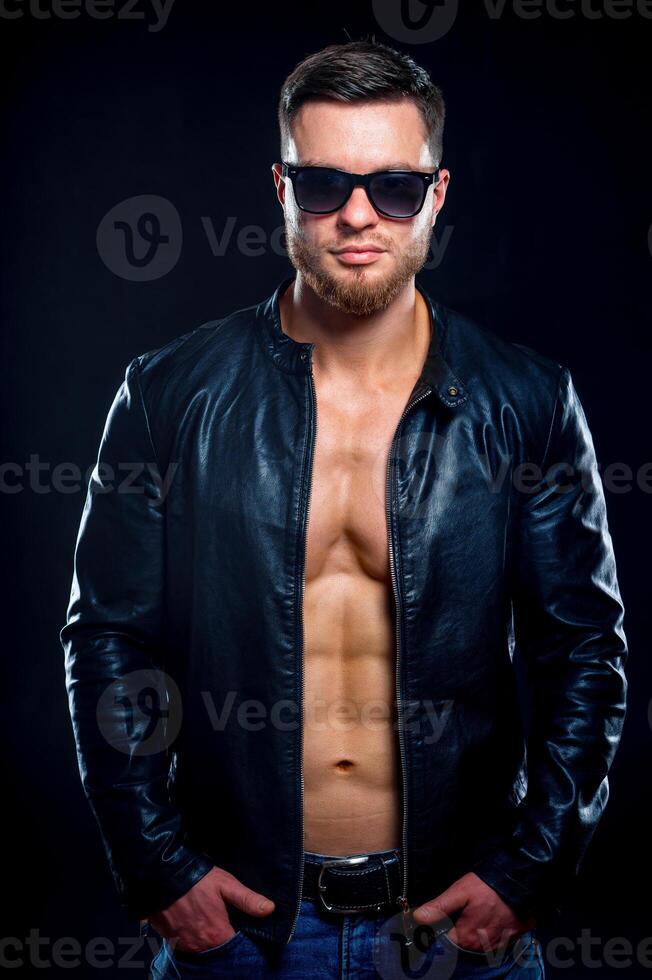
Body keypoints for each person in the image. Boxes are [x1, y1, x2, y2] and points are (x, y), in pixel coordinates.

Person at [60, 39, 628, 979]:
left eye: (395, 188)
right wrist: (156, 865)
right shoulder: (168, 394)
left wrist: (531, 869)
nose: (358, 214)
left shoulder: (526, 401)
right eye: (323, 183)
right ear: (281, 188)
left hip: (451, 923)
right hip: (243, 926)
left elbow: (584, 648)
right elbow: (109, 641)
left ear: (437, 197)